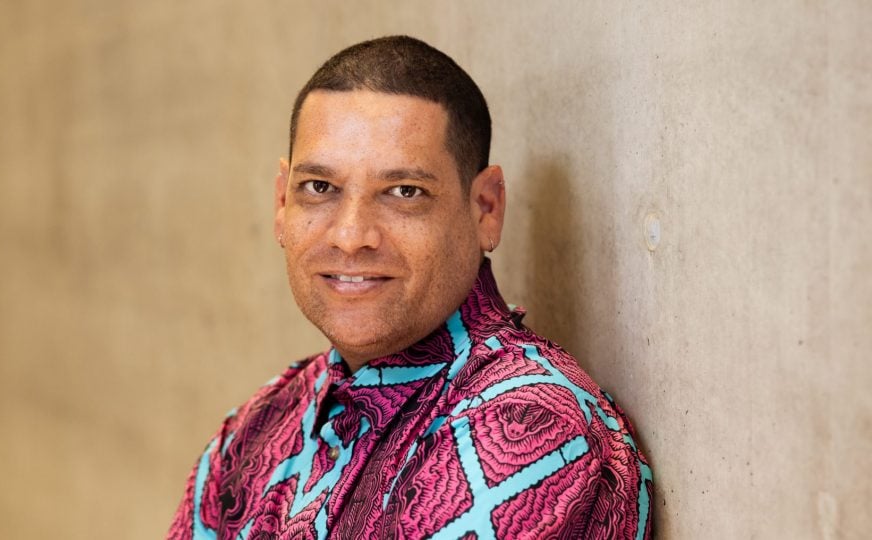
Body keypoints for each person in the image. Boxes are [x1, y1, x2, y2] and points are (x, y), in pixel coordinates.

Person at [167, 35, 652, 539]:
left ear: (486, 208)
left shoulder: (530, 432)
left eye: (404, 192)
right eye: (320, 188)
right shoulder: (258, 427)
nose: (352, 236)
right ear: (281, 205)